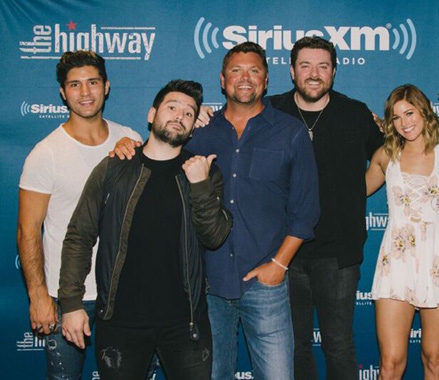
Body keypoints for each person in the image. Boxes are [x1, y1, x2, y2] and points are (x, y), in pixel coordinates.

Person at [111, 42, 320, 380]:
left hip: (265, 284)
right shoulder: (196, 131)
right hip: (204, 289)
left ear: (266, 80)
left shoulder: (290, 132)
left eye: (254, 70)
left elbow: (305, 209)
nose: (245, 78)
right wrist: (127, 145)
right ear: (223, 81)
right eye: (236, 70)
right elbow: (157, 150)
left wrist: (278, 265)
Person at [194, 36, 384, 380]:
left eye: (323, 66)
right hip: (285, 256)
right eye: (305, 65)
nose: (314, 73)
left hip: (336, 252)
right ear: (291, 72)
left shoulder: (354, 113)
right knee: (294, 351)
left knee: (338, 345)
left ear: (335, 71)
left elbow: (390, 154)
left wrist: (359, 190)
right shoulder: (273, 109)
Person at [58, 79, 232, 380]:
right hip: (121, 324)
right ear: (152, 115)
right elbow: (79, 236)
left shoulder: (204, 172)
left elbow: (214, 237)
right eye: (172, 107)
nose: (179, 115)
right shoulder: (114, 167)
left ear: (193, 128)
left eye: (189, 113)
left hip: (185, 324)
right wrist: (71, 303)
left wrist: (200, 186)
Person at [16, 50, 142, 379]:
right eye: (75, 84)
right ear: (63, 92)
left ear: (107, 86)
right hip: (69, 295)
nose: (85, 93)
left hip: (125, 292)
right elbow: (28, 230)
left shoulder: (130, 141)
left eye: (92, 82)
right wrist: (38, 296)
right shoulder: (46, 154)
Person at [366, 84, 439, 379]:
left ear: (425, 112)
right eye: (396, 117)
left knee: (435, 360)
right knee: (390, 363)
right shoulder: (385, 156)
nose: (405, 123)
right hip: (397, 264)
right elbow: (354, 192)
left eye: (410, 113)